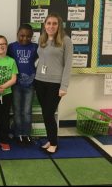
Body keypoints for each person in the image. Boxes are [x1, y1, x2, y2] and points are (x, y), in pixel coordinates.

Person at [34, 13, 73, 154]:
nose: (51, 26)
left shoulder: (65, 40)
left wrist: (64, 86)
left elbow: (68, 64)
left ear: (59, 25)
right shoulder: (42, 39)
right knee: (46, 113)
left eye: (54, 23)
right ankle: (50, 140)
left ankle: (54, 143)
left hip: (55, 83)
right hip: (39, 81)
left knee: (49, 114)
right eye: (48, 23)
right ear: (44, 25)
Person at [7, 24, 38, 145]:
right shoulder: (11, 47)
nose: (25, 38)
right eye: (22, 36)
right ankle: (18, 134)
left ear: (32, 36)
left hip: (30, 85)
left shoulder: (35, 47)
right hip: (15, 84)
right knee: (17, 110)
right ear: (17, 34)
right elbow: (7, 62)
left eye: (28, 36)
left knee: (27, 111)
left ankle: (26, 134)